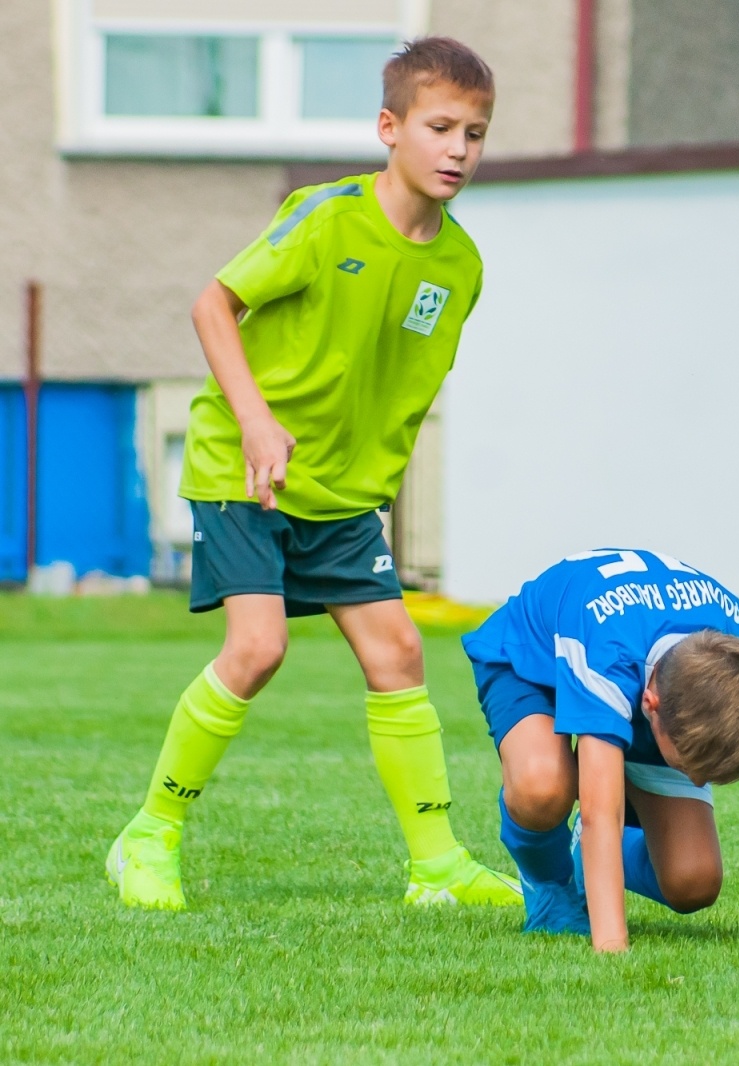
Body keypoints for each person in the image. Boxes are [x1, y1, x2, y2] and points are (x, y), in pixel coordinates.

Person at [107, 38, 520, 911]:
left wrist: (373, 479)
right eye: (440, 127)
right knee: (257, 648)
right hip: (244, 472)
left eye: (475, 134)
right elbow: (212, 304)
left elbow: (399, 388)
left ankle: (436, 867)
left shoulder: (461, 266)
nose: (458, 149)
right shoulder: (326, 220)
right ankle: (148, 836)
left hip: (340, 496)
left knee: (399, 652)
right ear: (389, 128)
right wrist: (257, 419)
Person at [461, 549, 739, 953]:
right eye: (689, 766)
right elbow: (599, 813)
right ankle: (551, 888)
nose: (697, 781)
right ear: (650, 704)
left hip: (640, 672)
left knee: (692, 881)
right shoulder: (610, 658)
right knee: (544, 786)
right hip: (532, 660)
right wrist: (612, 945)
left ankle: (583, 856)